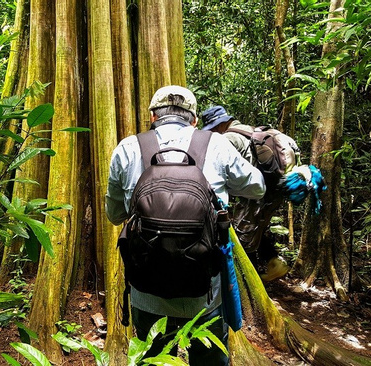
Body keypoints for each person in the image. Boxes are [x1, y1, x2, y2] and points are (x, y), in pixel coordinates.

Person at [105, 86, 265, 365]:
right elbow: (258, 187)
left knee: (151, 359)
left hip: (146, 292)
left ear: (153, 116)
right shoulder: (215, 144)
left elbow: (114, 215)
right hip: (205, 293)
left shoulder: (128, 148)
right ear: (193, 120)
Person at [201, 105, 293, 281]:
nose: (212, 132)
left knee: (244, 239)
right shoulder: (248, 130)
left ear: (221, 124)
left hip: (255, 193)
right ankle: (273, 261)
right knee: (255, 229)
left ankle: (250, 281)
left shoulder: (228, 138)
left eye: (212, 128)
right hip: (274, 189)